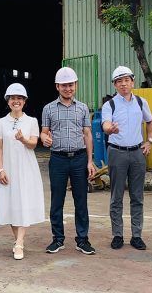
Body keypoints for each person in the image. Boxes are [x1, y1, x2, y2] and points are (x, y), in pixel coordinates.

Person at [40, 67, 96, 255]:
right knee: (57, 200)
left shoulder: (82, 108)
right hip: (58, 159)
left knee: (81, 201)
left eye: (71, 85)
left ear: (76, 85)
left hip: (79, 159)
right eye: (64, 85)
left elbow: (87, 134)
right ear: (57, 86)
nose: (68, 88)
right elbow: (44, 132)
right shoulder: (48, 108)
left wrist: (90, 161)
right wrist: (44, 138)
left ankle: (83, 240)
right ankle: (57, 239)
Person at [102, 66, 152, 251]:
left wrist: (149, 141)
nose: (123, 84)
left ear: (132, 82)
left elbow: (150, 122)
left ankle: (136, 236)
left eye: (126, 80)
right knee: (116, 196)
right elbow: (105, 125)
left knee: (137, 196)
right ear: (115, 85)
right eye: (119, 81)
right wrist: (110, 129)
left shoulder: (141, 102)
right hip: (117, 152)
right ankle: (117, 235)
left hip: (137, 153)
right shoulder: (110, 105)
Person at [0, 83, 45, 260]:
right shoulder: (1, 122)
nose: (16, 101)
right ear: (8, 101)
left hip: (26, 167)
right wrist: (0, 169)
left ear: (24, 101)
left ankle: (19, 243)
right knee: (11, 204)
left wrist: (23, 139)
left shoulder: (31, 121)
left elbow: (33, 144)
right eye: (13, 98)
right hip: (8, 168)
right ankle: (18, 241)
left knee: (24, 202)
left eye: (20, 98)